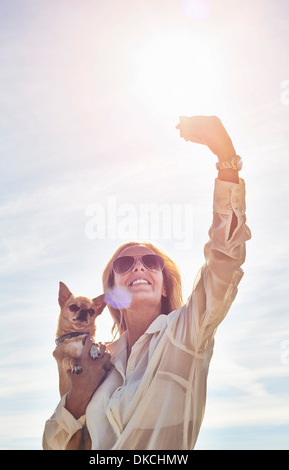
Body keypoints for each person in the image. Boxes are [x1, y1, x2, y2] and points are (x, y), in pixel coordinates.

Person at [42, 115, 251, 450]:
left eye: (151, 262)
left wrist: (226, 161)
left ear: (164, 284)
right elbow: (52, 444)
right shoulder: (100, 361)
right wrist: (78, 397)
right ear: (112, 294)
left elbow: (225, 261)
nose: (138, 266)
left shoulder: (186, 335)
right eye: (125, 264)